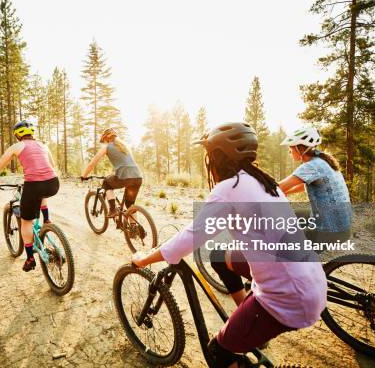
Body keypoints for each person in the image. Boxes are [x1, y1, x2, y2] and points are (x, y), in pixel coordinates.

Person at [131, 122, 327, 368]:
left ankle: (242, 331)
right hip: (312, 281)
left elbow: (188, 239)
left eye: (210, 156)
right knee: (219, 257)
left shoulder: (228, 188)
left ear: (218, 157)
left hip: (289, 298)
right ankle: (245, 315)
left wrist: (144, 258)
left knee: (218, 354)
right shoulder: (262, 181)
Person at [0, 120, 59, 272]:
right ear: (32, 133)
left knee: (26, 222)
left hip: (35, 185)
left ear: (17, 134)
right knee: (41, 190)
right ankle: (47, 220)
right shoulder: (43, 145)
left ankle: (30, 258)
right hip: (53, 183)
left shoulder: (17, 146)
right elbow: (51, 166)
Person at [278, 125, 352, 244]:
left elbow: (278, 187)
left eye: (291, 148)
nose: (289, 151)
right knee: (293, 216)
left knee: (286, 248)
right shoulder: (321, 161)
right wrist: (286, 192)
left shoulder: (311, 166)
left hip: (330, 230)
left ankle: (298, 259)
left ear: (300, 149)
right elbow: (307, 185)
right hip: (342, 224)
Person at [81, 128, 142, 218]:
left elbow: (92, 163)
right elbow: (126, 163)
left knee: (106, 182)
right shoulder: (125, 146)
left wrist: (83, 175)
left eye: (104, 140)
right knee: (130, 205)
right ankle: (134, 228)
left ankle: (113, 209)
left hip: (124, 177)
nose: (105, 142)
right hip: (138, 177)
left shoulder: (107, 147)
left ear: (107, 138)